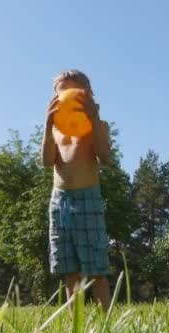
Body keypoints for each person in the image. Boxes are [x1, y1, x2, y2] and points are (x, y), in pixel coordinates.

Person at [41, 69, 112, 310]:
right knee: (69, 268)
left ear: (88, 95)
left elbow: (105, 157)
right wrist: (47, 125)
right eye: (60, 94)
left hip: (87, 197)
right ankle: (76, 325)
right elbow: (47, 161)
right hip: (59, 201)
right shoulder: (56, 129)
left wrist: (93, 119)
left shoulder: (97, 126)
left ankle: (105, 321)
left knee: (96, 267)